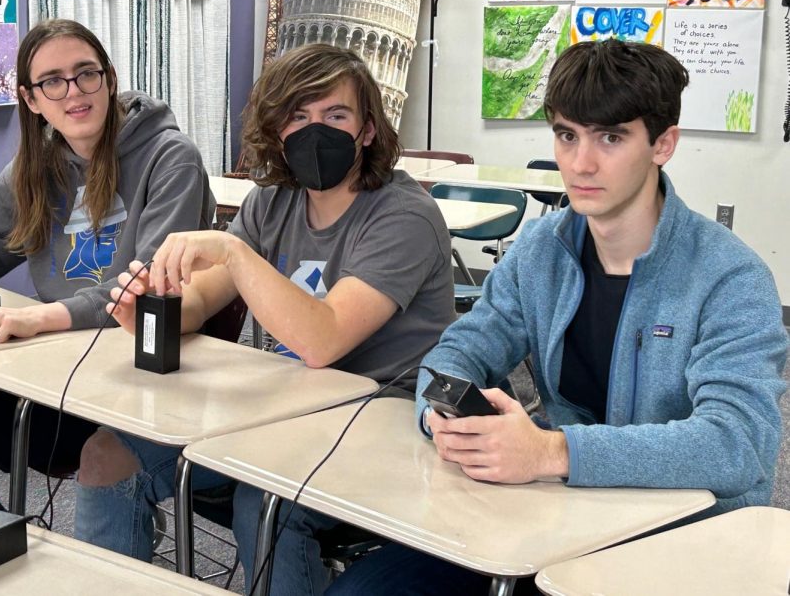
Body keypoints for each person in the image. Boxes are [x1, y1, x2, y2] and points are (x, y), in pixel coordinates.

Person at [327, 40, 789, 594]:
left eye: (611, 138)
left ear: (662, 144)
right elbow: (461, 350)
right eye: (567, 135)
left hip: (678, 541)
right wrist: (444, 417)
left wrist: (553, 451)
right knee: (365, 590)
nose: (580, 162)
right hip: (557, 515)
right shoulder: (542, 249)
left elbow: (737, 444)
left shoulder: (729, 278)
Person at [73, 43, 455, 595]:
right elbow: (200, 301)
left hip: (381, 422)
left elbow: (323, 339)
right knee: (107, 454)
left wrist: (234, 254)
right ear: (277, 129)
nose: (312, 130)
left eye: (335, 115)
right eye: (297, 116)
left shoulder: (403, 216)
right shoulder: (271, 202)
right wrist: (151, 308)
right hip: (285, 409)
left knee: (265, 498)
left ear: (368, 130)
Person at [0, 18, 214, 508]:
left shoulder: (171, 158)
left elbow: (150, 288)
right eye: (52, 81)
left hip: (135, 369)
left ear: (109, 78)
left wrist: (34, 317)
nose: (73, 92)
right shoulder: (35, 168)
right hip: (54, 358)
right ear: (31, 99)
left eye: (85, 73)